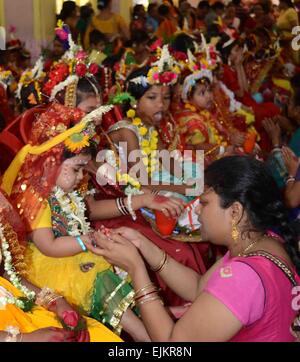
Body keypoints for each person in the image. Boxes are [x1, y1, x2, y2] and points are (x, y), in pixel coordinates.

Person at [88, 156, 300, 342]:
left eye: (205, 203)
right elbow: (199, 288)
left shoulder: (244, 276)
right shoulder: (262, 241)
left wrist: (136, 268)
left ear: (235, 212)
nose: (197, 209)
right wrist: (143, 245)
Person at [1, 104, 149, 342]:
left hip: (75, 251)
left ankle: (149, 322)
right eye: (77, 169)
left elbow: (82, 217)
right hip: (50, 263)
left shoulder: (63, 187)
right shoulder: (37, 195)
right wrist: (86, 241)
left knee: (117, 259)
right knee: (98, 279)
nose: (82, 177)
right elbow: (48, 246)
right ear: (49, 163)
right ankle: (150, 337)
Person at [0, 189, 121, 342]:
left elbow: (8, 277)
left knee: (94, 335)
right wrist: (25, 339)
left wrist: (57, 303)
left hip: (20, 308)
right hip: (11, 330)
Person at [276, 0, 300, 65]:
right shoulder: (283, 12)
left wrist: (289, 38)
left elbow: (296, 29)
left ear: (284, 2)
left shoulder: (291, 11)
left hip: (291, 42)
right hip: (284, 42)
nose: (279, 4)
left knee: (294, 63)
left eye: (280, 2)